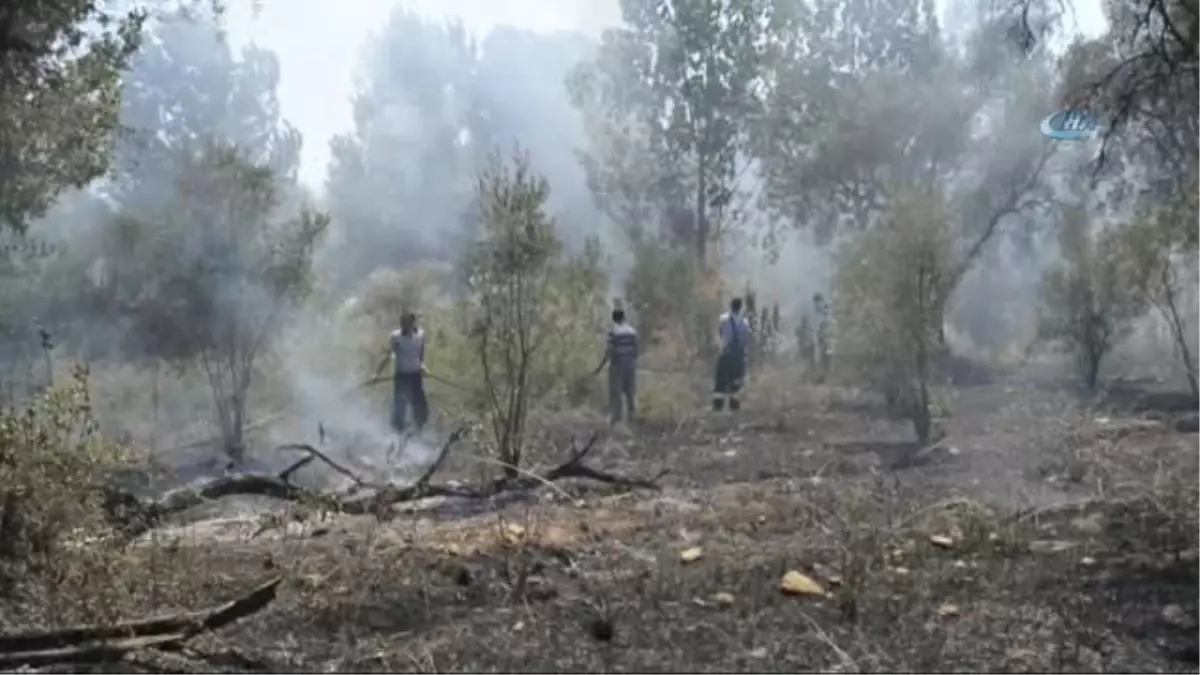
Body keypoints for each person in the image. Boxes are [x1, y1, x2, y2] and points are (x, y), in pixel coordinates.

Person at [375, 312, 429, 434]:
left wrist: (422, 365)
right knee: (400, 405)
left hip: (415, 375)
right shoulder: (396, 336)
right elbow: (389, 355)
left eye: (406, 322)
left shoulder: (420, 335)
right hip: (402, 376)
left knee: (419, 406)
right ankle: (397, 433)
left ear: (412, 322)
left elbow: (421, 352)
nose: (403, 325)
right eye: (402, 322)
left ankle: (419, 431)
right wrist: (377, 373)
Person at [593, 308, 638, 426]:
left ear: (614, 319)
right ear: (624, 318)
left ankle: (617, 420)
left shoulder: (614, 332)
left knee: (616, 392)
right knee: (629, 392)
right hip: (630, 365)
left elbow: (609, 351)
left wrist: (599, 368)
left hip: (617, 365)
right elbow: (636, 351)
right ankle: (632, 417)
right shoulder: (633, 332)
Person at [713, 297, 753, 412]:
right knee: (736, 382)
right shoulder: (744, 322)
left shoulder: (723, 319)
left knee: (720, 382)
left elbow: (721, 335)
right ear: (740, 307)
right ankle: (734, 408)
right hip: (738, 356)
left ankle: (717, 408)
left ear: (731, 306)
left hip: (725, 353)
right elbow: (745, 339)